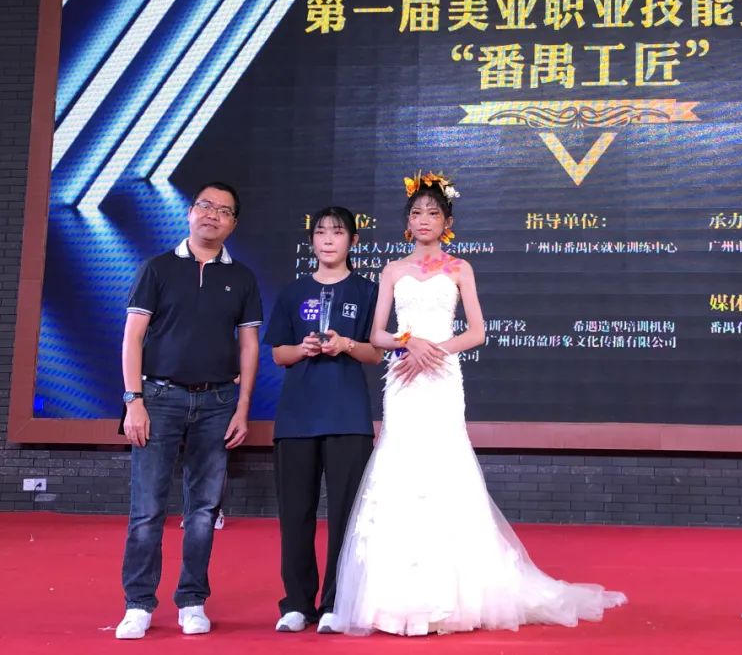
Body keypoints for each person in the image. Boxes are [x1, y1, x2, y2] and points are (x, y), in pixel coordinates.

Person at [334, 172, 626, 636]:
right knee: (401, 467)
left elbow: (476, 332)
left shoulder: (459, 268)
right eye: (416, 212)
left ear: (447, 222)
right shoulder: (392, 270)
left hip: (441, 378)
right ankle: (393, 601)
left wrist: (434, 350)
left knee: (445, 467)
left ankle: (456, 597)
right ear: (407, 222)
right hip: (404, 379)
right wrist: (409, 343)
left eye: (433, 213)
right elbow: (376, 335)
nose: (424, 219)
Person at [116, 182, 263, 640]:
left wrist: (242, 407)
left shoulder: (242, 278)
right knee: (147, 509)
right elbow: (133, 337)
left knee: (202, 510)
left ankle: (192, 600)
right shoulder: (157, 268)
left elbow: (249, 347)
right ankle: (138, 604)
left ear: (233, 223)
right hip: (158, 399)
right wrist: (133, 401)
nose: (212, 215)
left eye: (224, 211)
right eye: (205, 205)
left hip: (218, 403)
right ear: (190, 212)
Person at [264, 206, 381, 634]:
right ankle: (297, 603)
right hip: (297, 417)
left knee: (346, 516)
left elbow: (376, 352)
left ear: (353, 241)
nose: (328, 239)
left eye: (337, 232)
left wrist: (345, 344)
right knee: (296, 513)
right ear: (311, 240)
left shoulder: (368, 291)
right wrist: (304, 349)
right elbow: (279, 353)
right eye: (320, 232)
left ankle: (335, 601)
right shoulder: (293, 292)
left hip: (348, 416)